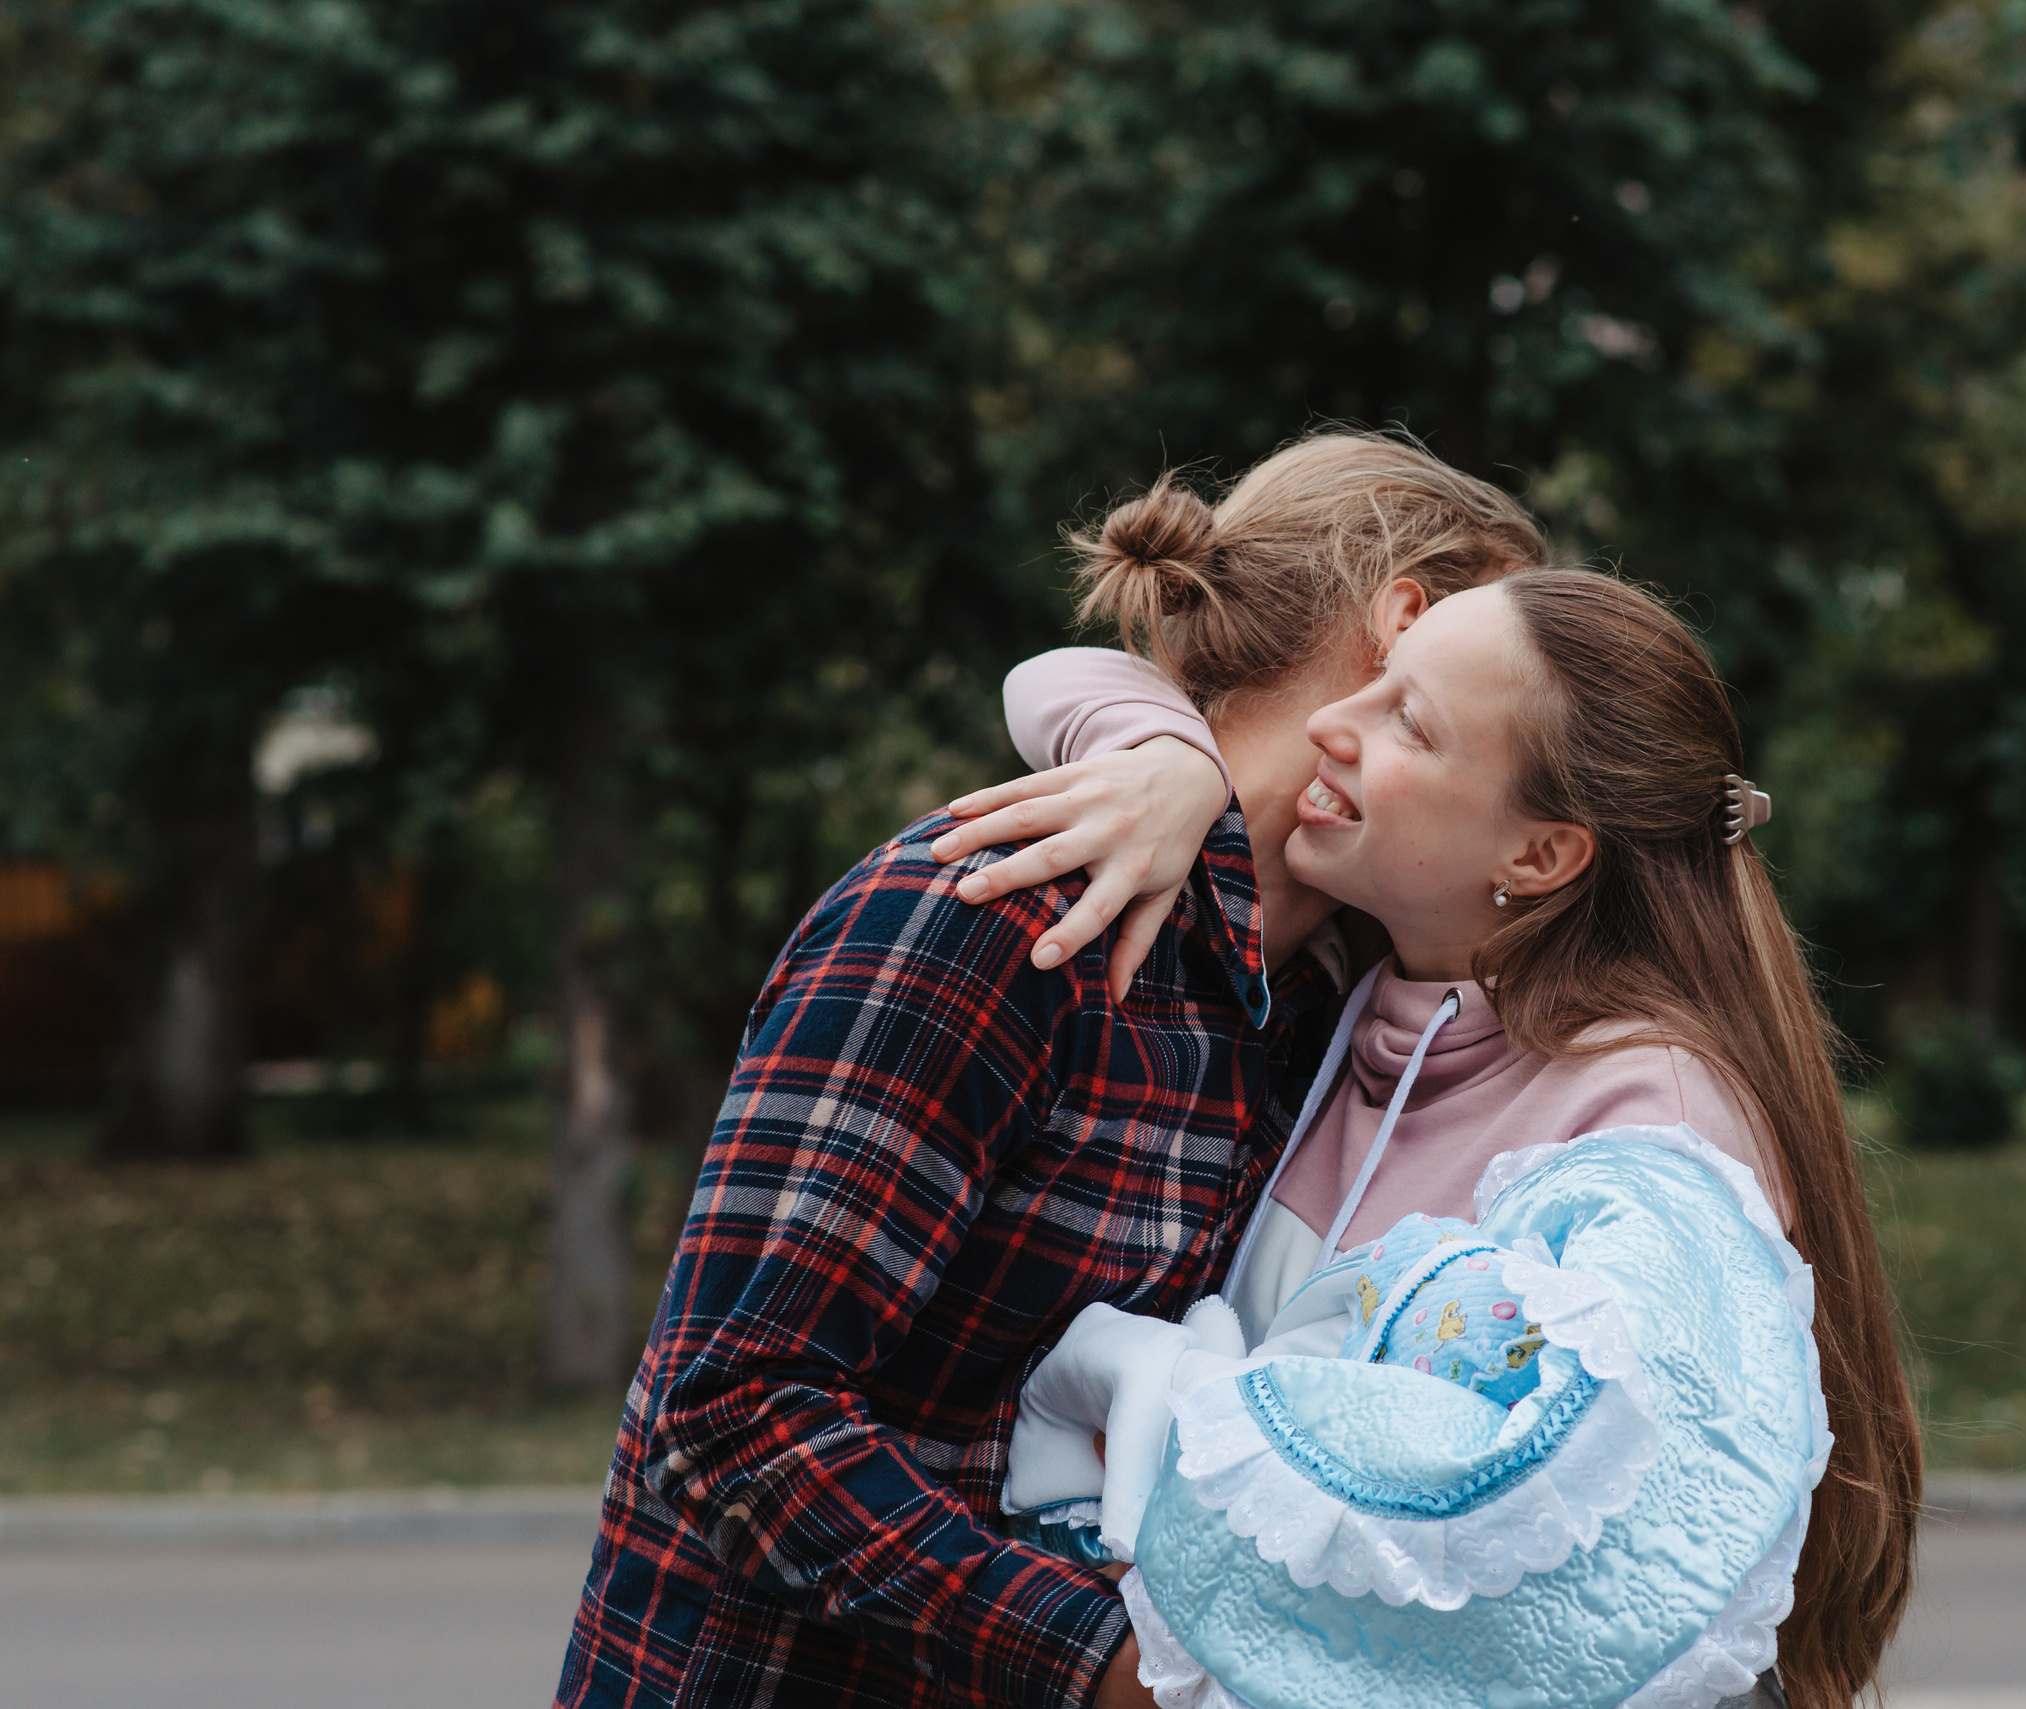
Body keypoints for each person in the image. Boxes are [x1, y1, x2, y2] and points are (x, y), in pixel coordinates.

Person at [551, 432, 1544, 1709]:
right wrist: (1105, 1665)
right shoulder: (992, 907)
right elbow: (733, 1403)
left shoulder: (1338, 999)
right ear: (1405, 628)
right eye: (1513, 673)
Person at [946, 572, 1921, 1709]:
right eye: (1372, 682)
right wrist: (1174, 767)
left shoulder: (1645, 1120)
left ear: (1540, 856)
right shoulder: (1363, 970)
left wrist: (1182, 1426)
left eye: (1405, 720)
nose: (1328, 726)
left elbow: (1528, 1562)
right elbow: (1062, 677)